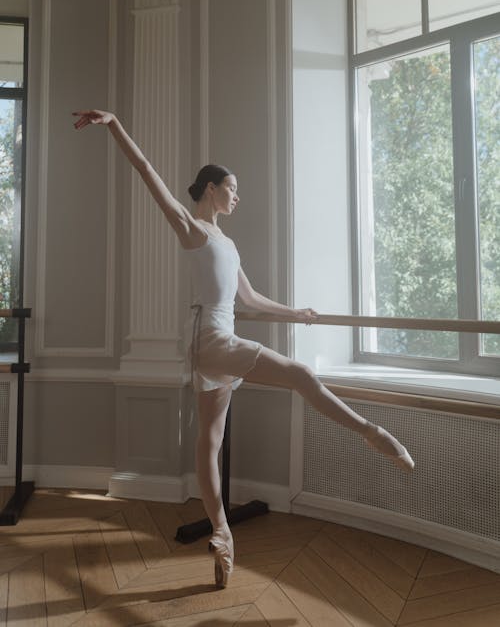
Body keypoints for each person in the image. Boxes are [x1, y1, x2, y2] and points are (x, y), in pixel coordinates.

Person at [73, 110, 414, 589]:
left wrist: (296, 313)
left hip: (212, 346)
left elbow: (249, 299)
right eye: (232, 187)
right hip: (214, 340)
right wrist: (114, 126)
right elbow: (147, 172)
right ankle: (370, 432)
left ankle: (222, 534)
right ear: (211, 188)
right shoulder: (192, 229)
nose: (237, 195)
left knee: (209, 445)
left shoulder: (226, 242)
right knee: (299, 375)